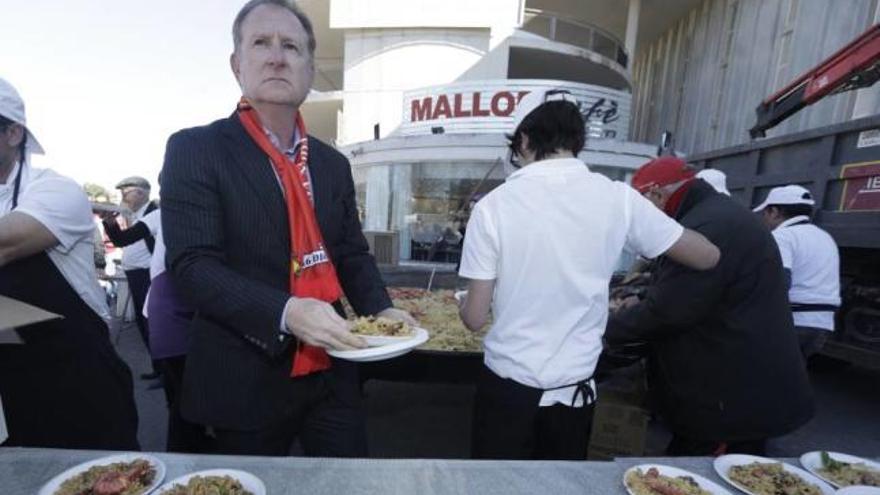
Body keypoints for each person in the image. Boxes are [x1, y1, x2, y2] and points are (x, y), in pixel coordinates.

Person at [160, 0, 413, 456]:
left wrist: (383, 311)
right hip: (245, 373)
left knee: (348, 486)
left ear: (310, 71)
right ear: (237, 65)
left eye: (291, 46)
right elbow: (192, 267)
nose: (277, 56)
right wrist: (287, 312)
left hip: (334, 368)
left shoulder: (332, 163)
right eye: (261, 43)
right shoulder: (196, 149)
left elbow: (351, 253)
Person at [456, 90, 721, 460]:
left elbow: (474, 319)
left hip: (508, 387)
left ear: (525, 140)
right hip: (575, 391)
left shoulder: (492, 207)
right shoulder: (617, 198)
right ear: (577, 141)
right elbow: (707, 256)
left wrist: (463, 304)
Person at [606, 156, 814, 456]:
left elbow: (670, 310)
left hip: (731, 394)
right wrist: (640, 297)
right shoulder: (713, 214)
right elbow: (691, 289)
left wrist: (600, 329)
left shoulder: (709, 225)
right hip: (736, 382)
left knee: (701, 471)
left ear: (655, 194)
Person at [0, 77, 139, 449]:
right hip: (12, 383)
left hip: (77, 378)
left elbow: (6, 242)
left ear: (13, 133)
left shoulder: (54, 190)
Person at [754, 185, 840, 359]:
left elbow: (779, 281)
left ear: (774, 211)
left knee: (761, 377)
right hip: (822, 324)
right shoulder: (825, 237)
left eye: (765, 213)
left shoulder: (783, 236)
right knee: (790, 379)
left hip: (793, 321)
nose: (763, 219)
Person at [102, 175, 160, 380]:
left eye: (125, 193)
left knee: (152, 324)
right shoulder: (137, 215)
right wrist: (110, 222)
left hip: (149, 277)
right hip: (138, 275)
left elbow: (124, 240)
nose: (122, 197)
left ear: (141, 193)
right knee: (146, 325)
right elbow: (121, 240)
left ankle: (164, 371)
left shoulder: (153, 213)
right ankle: (159, 368)